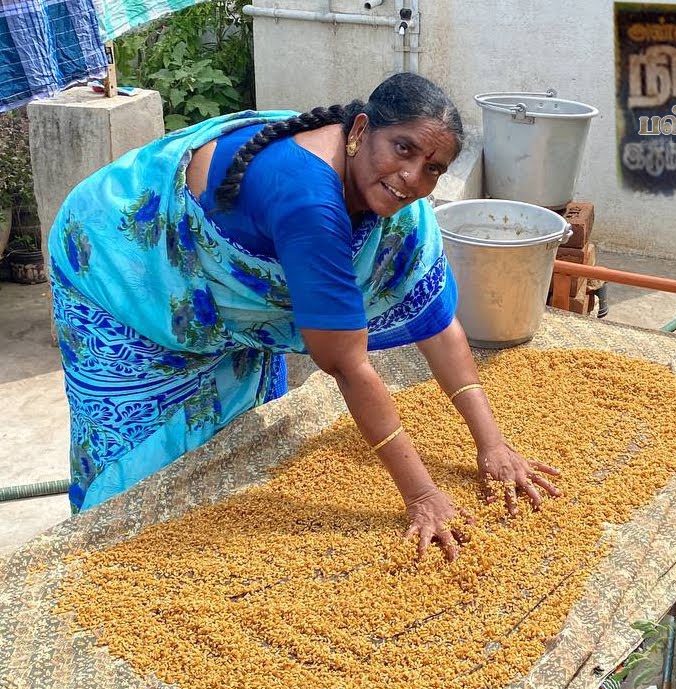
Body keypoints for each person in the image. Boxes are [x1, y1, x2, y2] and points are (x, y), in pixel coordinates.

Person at [48, 73, 559, 560]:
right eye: (403, 149)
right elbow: (346, 364)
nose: (412, 176)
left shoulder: (396, 198)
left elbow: (435, 317)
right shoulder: (310, 202)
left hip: (219, 301)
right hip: (125, 271)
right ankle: (101, 551)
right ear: (360, 131)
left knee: (235, 433)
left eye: (433, 168)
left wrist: (493, 445)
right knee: (139, 454)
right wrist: (422, 494)